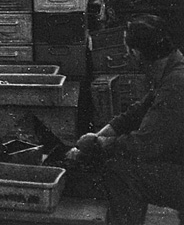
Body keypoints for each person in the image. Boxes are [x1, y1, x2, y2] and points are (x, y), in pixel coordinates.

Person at [70, 15, 183, 225]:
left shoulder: (176, 84)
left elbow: (146, 145)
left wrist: (99, 145)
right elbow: (136, 113)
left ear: (137, 53)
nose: (127, 55)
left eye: (128, 50)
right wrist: (97, 136)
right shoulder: (173, 67)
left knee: (120, 172)